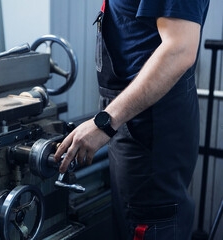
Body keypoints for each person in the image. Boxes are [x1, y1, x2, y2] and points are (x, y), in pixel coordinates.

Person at [54, 0, 210, 239]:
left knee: (150, 225)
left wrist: (105, 122)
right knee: (130, 219)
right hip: (131, 117)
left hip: (152, 127)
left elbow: (179, 48)